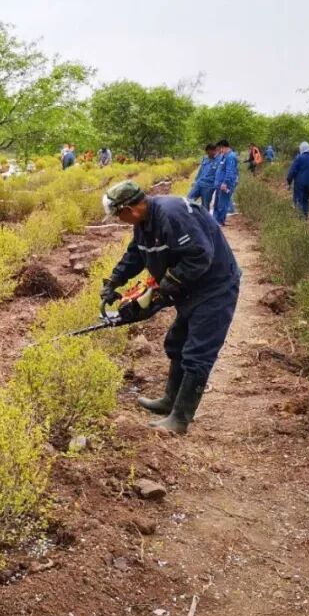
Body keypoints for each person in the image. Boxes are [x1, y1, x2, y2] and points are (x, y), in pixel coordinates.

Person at [99, 181, 241, 435]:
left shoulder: (172, 215)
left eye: (119, 215)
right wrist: (114, 281)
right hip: (190, 289)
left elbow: (200, 255)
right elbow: (136, 255)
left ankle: (180, 419)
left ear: (129, 209)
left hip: (214, 287)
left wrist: (164, 288)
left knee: (198, 352)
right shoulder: (144, 223)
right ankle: (170, 400)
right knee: (177, 342)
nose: (120, 221)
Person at [285, 141, 309, 220]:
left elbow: (292, 171)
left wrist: (289, 182)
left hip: (300, 183)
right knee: (306, 199)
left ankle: (299, 218)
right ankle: (305, 217)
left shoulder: (300, 158)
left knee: (298, 199)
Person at [212, 138, 239, 225]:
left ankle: (220, 221)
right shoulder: (224, 156)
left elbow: (230, 171)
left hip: (225, 184)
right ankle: (215, 221)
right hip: (219, 184)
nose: (220, 151)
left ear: (223, 147)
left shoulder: (231, 157)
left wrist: (225, 183)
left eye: (220, 148)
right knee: (217, 203)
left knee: (222, 204)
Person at [187, 143, 219, 210]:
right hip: (199, 184)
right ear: (207, 151)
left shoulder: (218, 161)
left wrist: (215, 185)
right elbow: (200, 171)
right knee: (189, 199)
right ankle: (195, 211)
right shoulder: (205, 159)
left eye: (215, 150)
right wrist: (195, 181)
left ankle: (204, 216)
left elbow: (219, 174)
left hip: (208, 187)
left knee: (205, 205)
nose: (214, 152)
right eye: (212, 151)